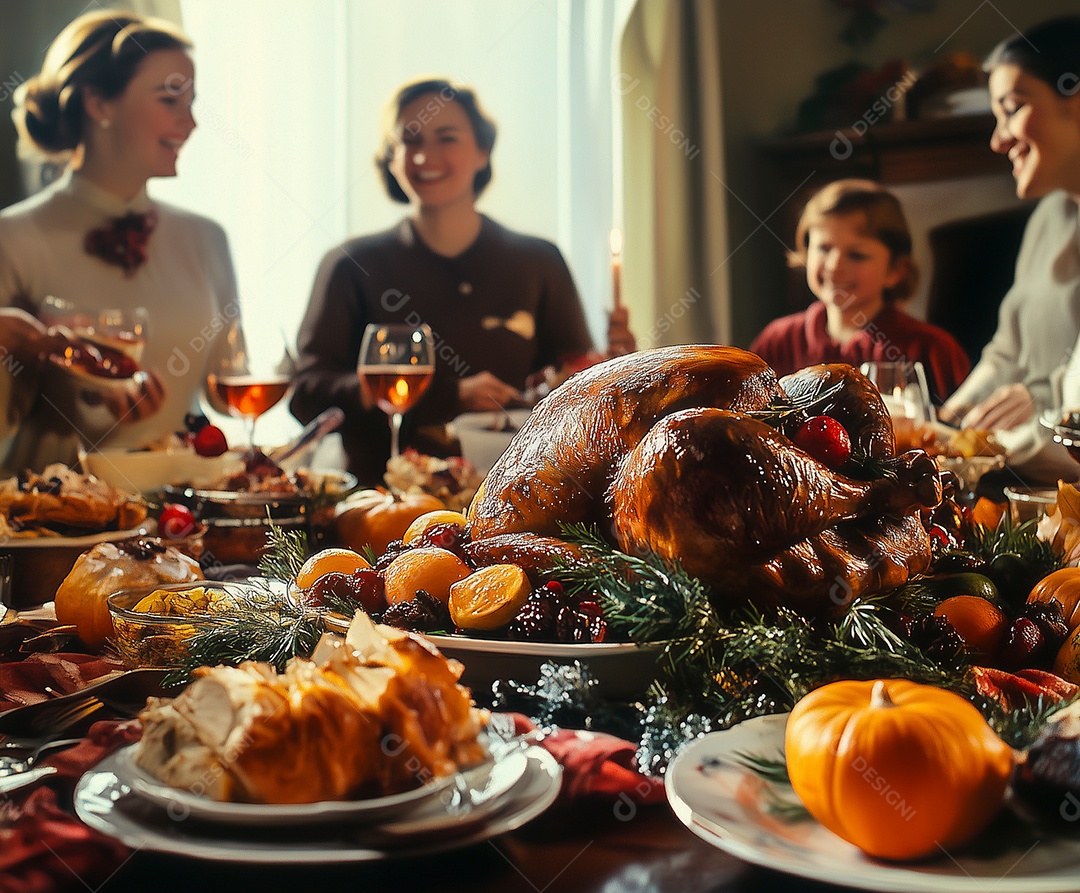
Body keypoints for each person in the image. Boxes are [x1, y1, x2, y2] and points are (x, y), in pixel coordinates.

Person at [290, 78, 606, 484]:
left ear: (482, 151)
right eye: (410, 140)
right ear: (391, 159)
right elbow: (307, 393)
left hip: (519, 497)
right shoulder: (350, 265)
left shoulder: (540, 261)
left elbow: (575, 381)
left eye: (447, 138)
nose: (426, 155)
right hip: (381, 505)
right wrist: (446, 395)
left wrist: (612, 365)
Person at [0, 11, 240, 471]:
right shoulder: (13, 238)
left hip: (181, 521)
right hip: (50, 522)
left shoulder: (208, 239)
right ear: (98, 104)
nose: (190, 123)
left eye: (192, 102)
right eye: (171, 99)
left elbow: (228, 391)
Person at [940, 16, 1080, 484]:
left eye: (1014, 108)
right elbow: (1007, 349)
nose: (998, 140)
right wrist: (949, 421)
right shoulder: (1049, 216)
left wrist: (1027, 417)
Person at [750, 178, 970, 403]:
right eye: (824, 248)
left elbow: (964, 430)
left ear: (895, 270)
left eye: (857, 255)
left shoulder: (932, 351)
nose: (835, 266)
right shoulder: (776, 342)